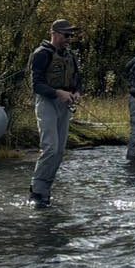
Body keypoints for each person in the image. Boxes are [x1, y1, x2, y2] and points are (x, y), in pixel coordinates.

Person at [28, 19, 82, 207]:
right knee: (50, 147)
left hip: (65, 104)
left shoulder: (71, 56)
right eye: (67, 35)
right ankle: (36, 191)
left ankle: (45, 192)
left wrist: (76, 93)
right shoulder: (41, 54)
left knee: (59, 151)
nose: (69, 39)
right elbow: (37, 85)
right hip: (47, 102)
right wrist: (58, 93)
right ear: (55, 34)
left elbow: (77, 80)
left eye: (71, 36)